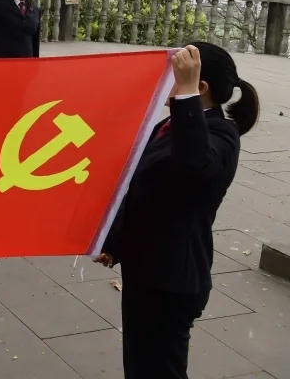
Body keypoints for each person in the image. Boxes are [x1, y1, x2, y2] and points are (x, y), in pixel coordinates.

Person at [97, 43, 258, 379]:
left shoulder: (221, 134)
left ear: (200, 87)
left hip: (171, 279)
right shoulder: (170, 125)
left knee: (159, 370)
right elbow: (138, 188)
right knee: (141, 365)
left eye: (173, 78)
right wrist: (113, 241)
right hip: (145, 267)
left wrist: (186, 94)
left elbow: (195, 167)